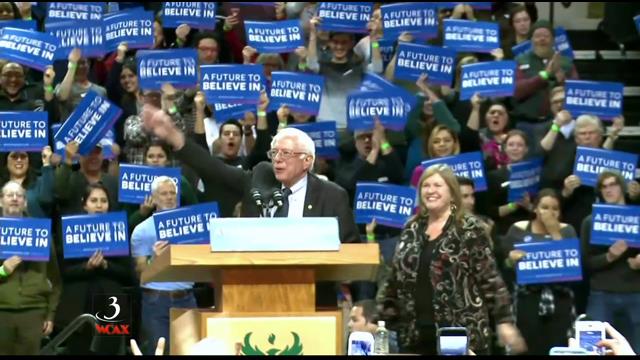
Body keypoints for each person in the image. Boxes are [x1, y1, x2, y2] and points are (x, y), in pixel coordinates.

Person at [141, 99, 359, 243]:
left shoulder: (332, 195)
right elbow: (213, 167)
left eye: (286, 153)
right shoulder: (261, 177)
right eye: (274, 153)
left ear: (307, 160)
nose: (278, 159)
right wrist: (175, 137)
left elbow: (351, 249)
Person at [377, 164, 526, 355]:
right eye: (426, 185)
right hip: (415, 335)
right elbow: (394, 279)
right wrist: (378, 319)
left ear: (452, 191)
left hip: (461, 336)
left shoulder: (469, 229)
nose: (430, 190)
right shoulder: (410, 228)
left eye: (437, 185)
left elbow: (490, 279)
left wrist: (504, 321)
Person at [54, 183, 134, 355]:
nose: (99, 205)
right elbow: (63, 272)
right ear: (84, 204)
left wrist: (106, 265)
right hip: (78, 302)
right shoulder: (69, 230)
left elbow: (128, 274)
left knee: (110, 351)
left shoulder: (118, 229)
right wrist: (86, 267)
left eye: (103, 201)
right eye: (94, 200)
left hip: (111, 302)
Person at [502, 189, 579, 355]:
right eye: (545, 207)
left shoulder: (568, 231)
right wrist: (511, 259)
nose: (550, 213)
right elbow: (504, 267)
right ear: (535, 208)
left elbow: (571, 268)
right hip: (527, 300)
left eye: (555, 209)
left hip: (560, 301)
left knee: (558, 348)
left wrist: (554, 232)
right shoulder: (518, 230)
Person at [131, 176, 197, 355]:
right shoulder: (142, 231)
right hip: (157, 301)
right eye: (164, 193)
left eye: (172, 193)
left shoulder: (192, 227)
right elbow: (141, 273)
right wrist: (155, 259)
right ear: (154, 197)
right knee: (159, 351)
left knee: (189, 351)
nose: (169, 197)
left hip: (187, 298)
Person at [580, 171, 640, 353]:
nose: (608, 189)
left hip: (636, 293)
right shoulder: (590, 222)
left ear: (622, 187)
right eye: (604, 186)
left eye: (612, 184)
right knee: (593, 350)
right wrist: (609, 256)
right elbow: (586, 263)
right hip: (601, 294)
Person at [0, 181, 61, 355]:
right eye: (9, 195)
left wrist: (50, 314)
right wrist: (2, 271)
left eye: (19, 195)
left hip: (33, 312)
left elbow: (55, 279)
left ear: (25, 202)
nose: (14, 199)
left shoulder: (41, 233)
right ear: (0, 201)